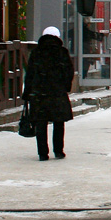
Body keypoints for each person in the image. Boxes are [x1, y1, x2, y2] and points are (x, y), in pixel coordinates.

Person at [22, 26, 74, 161]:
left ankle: (43, 153)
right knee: (58, 122)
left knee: (40, 123)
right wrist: (65, 87)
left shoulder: (36, 52)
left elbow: (30, 74)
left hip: (39, 93)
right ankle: (58, 150)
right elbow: (69, 72)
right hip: (57, 93)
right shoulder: (62, 52)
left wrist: (27, 93)